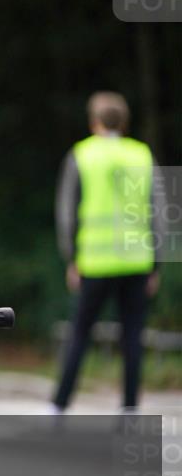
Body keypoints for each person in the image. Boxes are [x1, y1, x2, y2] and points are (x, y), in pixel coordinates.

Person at [53, 91, 164, 414]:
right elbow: (160, 211)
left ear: (94, 121)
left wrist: (71, 257)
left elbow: (67, 213)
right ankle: (129, 408)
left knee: (80, 334)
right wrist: (156, 264)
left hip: (95, 262)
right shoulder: (143, 154)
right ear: (125, 122)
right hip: (136, 261)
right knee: (133, 338)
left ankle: (60, 405)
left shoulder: (81, 154)